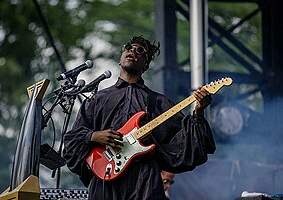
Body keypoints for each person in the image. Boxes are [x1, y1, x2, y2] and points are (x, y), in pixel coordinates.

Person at [63, 35, 216, 200]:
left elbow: (185, 144)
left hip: (145, 182)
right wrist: (94, 136)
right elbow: (72, 142)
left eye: (140, 51)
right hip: (105, 181)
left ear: (146, 64)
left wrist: (198, 113)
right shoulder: (98, 99)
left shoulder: (159, 102)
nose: (133, 51)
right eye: (129, 48)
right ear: (120, 58)